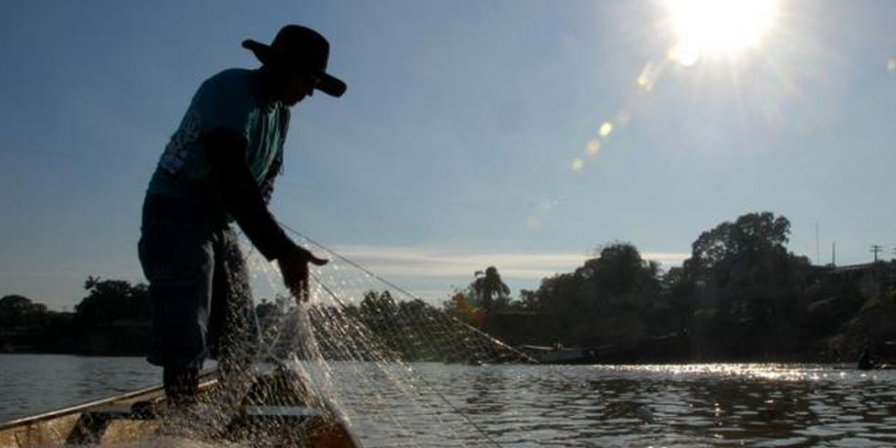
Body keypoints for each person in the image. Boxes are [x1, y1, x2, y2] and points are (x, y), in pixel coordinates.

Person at [138, 24, 346, 405]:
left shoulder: (281, 114)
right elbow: (232, 176)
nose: (310, 91)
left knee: (242, 337)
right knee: (187, 326)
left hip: (220, 223)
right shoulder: (231, 90)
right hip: (175, 211)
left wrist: (275, 243)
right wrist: (282, 249)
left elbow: (259, 187)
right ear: (279, 67)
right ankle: (180, 426)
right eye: (307, 79)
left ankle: (224, 418)